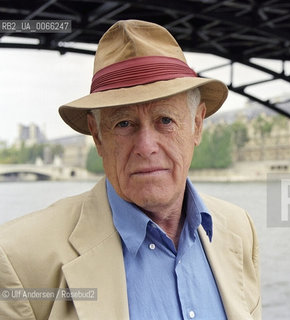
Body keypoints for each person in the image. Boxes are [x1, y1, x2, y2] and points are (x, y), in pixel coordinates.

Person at [0, 20, 261, 320]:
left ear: (196, 126)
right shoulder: (19, 261)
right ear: (97, 136)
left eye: (165, 120)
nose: (146, 146)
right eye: (124, 123)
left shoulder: (240, 230)